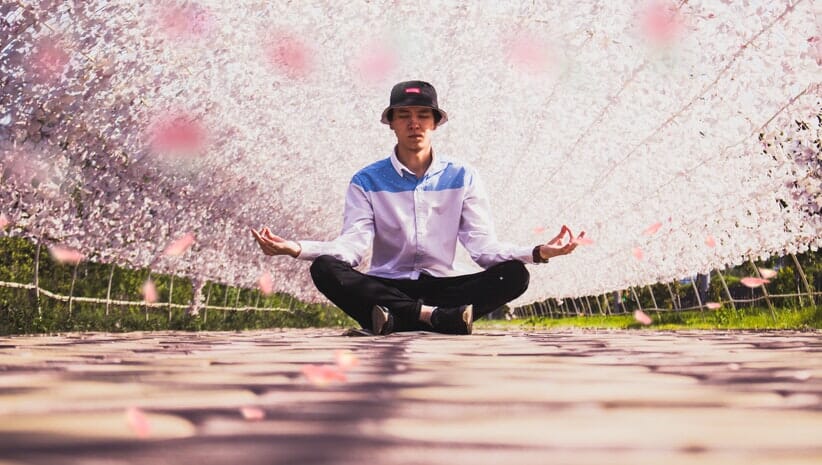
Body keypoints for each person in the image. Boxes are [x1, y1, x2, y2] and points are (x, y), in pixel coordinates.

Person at [251, 80, 584, 335]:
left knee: (513, 274)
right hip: (387, 285)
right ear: (391, 123)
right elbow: (351, 248)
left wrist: (538, 251)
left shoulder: (463, 176)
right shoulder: (366, 180)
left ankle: (400, 319)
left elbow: (483, 248)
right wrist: (295, 248)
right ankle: (436, 320)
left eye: (423, 115)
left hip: (444, 288)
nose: (414, 124)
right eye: (405, 116)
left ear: (435, 123)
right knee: (324, 268)